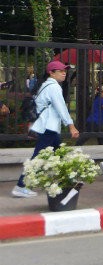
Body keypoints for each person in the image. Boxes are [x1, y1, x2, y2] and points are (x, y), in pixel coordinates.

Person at [12, 61, 80, 198]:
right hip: (48, 128)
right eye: (60, 71)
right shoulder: (53, 87)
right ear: (51, 72)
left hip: (50, 129)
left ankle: (64, 182)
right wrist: (71, 126)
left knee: (60, 156)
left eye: (65, 71)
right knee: (38, 158)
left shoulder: (46, 85)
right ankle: (21, 186)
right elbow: (61, 107)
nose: (64, 73)